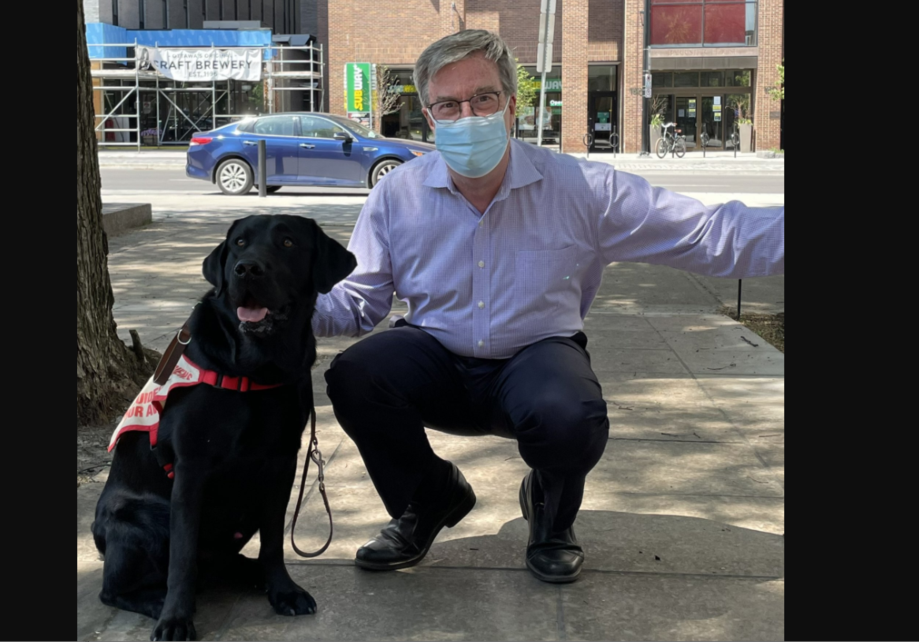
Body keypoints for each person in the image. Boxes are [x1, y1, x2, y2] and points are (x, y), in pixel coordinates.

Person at [314, 30, 784, 585]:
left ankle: (551, 515)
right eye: (449, 104)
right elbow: (360, 300)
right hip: (435, 355)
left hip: (535, 360)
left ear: (512, 105)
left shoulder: (581, 187)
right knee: (356, 375)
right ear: (429, 114)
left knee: (570, 412)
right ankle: (430, 499)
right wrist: (276, 308)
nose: (467, 116)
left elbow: (709, 234)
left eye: (483, 99)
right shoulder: (397, 194)